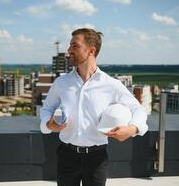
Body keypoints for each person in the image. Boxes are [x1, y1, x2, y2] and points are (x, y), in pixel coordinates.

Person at [40, 28, 148, 186]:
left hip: (96, 159)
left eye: (74, 46)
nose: (69, 50)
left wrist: (132, 129)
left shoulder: (111, 85)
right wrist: (48, 124)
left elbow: (138, 110)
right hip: (66, 156)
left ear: (91, 50)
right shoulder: (61, 83)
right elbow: (46, 110)